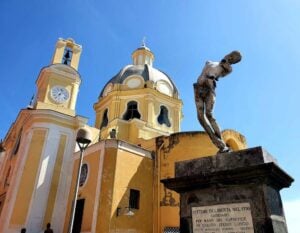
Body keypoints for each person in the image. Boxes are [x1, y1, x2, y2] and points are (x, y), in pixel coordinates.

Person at [194, 51, 242, 153]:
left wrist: (225, 63)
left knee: (209, 114)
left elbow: (224, 71)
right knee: (200, 118)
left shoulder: (228, 68)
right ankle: (218, 142)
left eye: (233, 60)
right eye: (231, 55)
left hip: (209, 88)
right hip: (198, 88)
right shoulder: (210, 62)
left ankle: (222, 144)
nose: (231, 58)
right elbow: (209, 64)